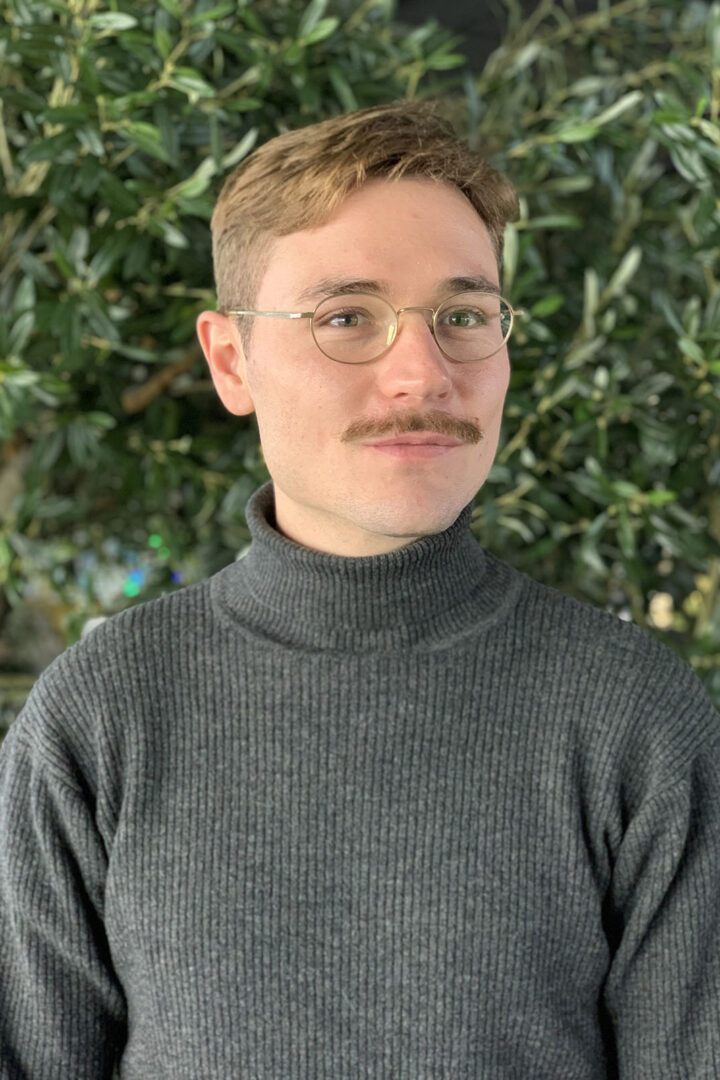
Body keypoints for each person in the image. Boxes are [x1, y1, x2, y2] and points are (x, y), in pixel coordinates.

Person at [1, 99, 719, 1080]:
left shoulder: (638, 720)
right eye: (346, 317)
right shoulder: (98, 719)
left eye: (462, 317)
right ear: (231, 360)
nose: (421, 374)